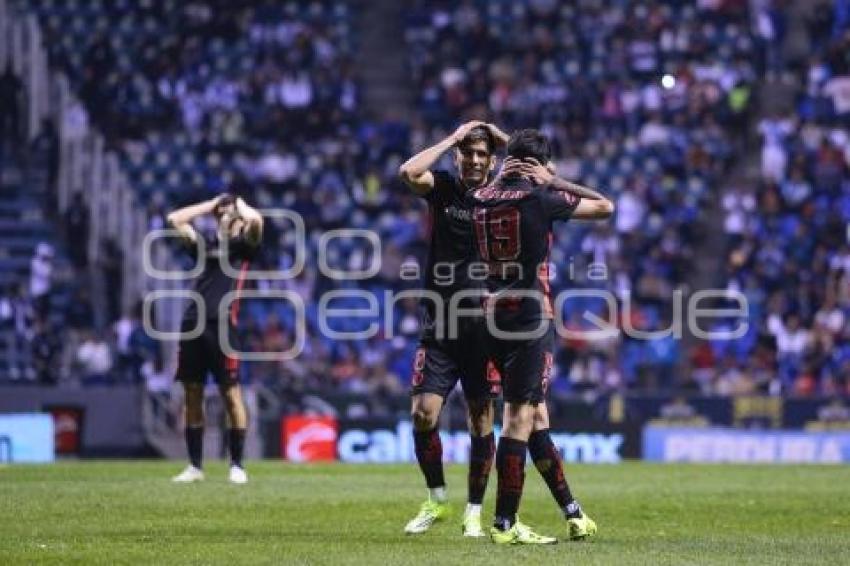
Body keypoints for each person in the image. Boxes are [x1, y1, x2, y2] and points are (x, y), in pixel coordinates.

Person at [470, 129, 613, 544]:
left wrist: (502, 174)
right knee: (519, 419)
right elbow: (605, 206)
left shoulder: (479, 197)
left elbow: (494, 190)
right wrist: (556, 180)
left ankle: (574, 513)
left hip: (489, 315)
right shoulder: (540, 198)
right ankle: (505, 523)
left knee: (537, 419)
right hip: (529, 318)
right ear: (539, 166)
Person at [398, 120, 508, 537]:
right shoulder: (443, 187)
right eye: (468, 153)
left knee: (481, 420)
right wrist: (451, 139)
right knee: (423, 414)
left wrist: (500, 136)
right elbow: (409, 171)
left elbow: (542, 170)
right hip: (440, 324)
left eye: (482, 155)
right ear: (459, 156)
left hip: (485, 330)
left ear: (492, 160)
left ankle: (474, 512)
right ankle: (437, 499)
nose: (475, 160)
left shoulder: (504, 194)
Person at [167, 193, 263, 484]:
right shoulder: (205, 246)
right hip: (192, 324)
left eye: (231, 215)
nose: (226, 217)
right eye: (222, 214)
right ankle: (195, 467)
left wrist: (238, 203)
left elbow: (257, 221)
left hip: (223, 327)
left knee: (230, 394)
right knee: (192, 393)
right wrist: (211, 205)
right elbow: (175, 219)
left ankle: (237, 465)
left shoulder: (244, 248)